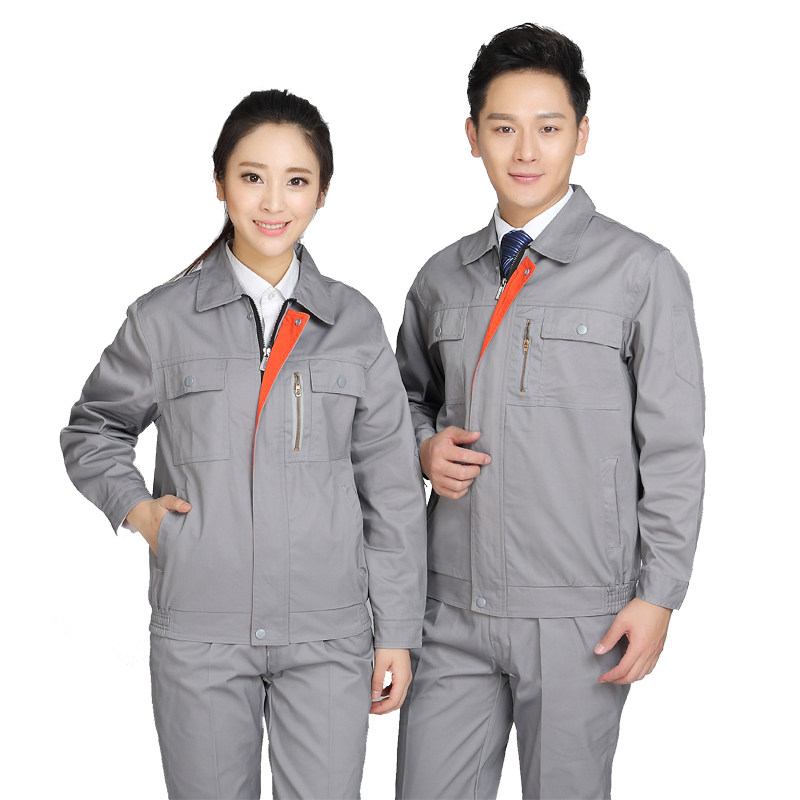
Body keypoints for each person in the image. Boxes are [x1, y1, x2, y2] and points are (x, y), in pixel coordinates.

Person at [60, 89, 426, 800]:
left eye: (297, 180)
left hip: (329, 633)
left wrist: (397, 632)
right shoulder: (163, 319)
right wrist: (137, 510)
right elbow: (93, 428)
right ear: (220, 182)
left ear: (322, 193)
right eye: (252, 176)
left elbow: (390, 490)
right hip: (201, 629)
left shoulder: (353, 322)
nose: (273, 202)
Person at [395, 23, 704, 800]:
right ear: (473, 137)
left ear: (582, 135)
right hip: (450, 605)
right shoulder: (440, 279)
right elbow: (399, 403)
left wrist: (660, 594)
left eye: (549, 128)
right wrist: (424, 447)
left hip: (580, 615)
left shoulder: (641, 272)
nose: (526, 151)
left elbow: (673, 449)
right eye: (504, 128)